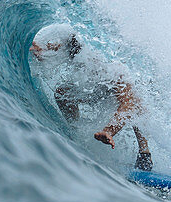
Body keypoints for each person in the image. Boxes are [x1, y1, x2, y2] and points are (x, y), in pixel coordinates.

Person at [29, 24, 154, 171]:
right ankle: (74, 132)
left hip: (114, 86)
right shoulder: (74, 51)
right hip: (93, 89)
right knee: (62, 93)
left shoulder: (115, 72)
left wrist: (109, 130)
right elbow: (58, 47)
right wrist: (40, 50)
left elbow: (128, 106)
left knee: (136, 103)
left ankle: (145, 154)